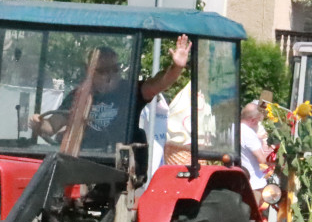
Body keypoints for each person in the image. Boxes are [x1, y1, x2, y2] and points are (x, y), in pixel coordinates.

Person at [29, 35, 191, 152]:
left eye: (115, 68)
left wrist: (176, 68)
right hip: (82, 160)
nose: (111, 74)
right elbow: (52, 125)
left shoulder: (130, 92)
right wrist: (39, 123)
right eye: (104, 71)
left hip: (116, 166)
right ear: (90, 72)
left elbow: (159, 83)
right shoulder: (79, 96)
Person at [239, 101, 270, 205]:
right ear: (252, 120)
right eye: (258, 121)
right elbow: (262, 159)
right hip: (254, 184)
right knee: (252, 214)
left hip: (239, 181)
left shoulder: (234, 129)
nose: (258, 124)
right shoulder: (248, 133)